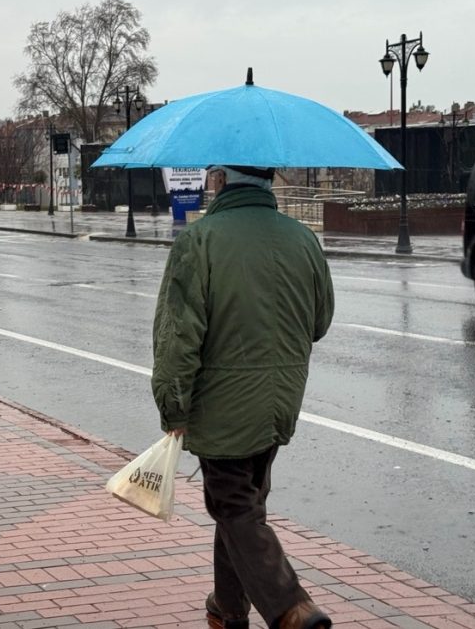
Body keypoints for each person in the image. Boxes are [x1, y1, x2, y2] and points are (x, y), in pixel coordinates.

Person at [151, 165, 334, 629]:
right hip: (281, 399)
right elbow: (319, 322)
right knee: (243, 503)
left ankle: (291, 606)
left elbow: (178, 336)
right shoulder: (303, 239)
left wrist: (173, 405)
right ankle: (228, 607)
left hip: (222, 402)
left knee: (234, 506)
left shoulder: (200, 241)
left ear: (219, 180)